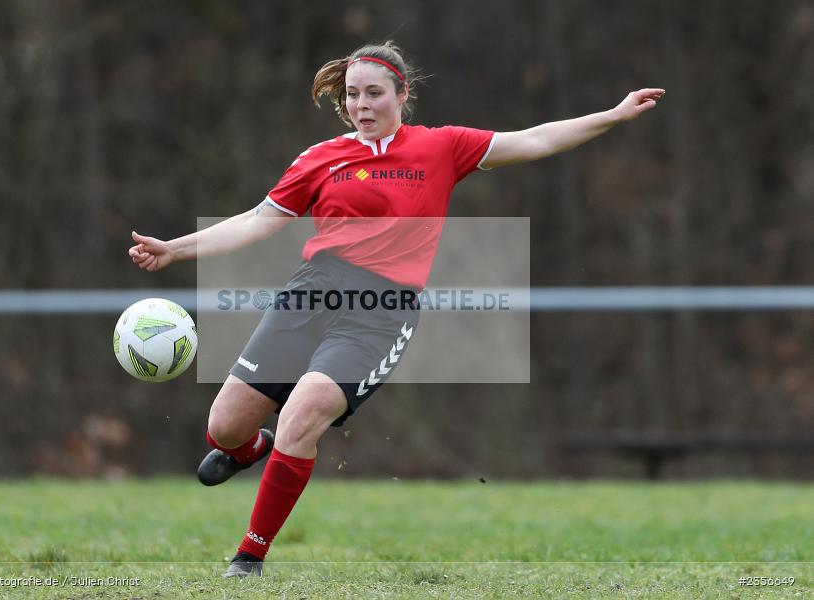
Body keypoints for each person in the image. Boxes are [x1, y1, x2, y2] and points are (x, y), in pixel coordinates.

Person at [128, 41, 664, 578]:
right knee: (223, 427)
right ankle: (249, 450)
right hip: (310, 294)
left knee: (303, 417)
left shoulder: (441, 147)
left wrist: (613, 116)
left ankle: (249, 556)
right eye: (352, 95)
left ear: (402, 95)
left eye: (374, 93)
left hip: (380, 311)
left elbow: (535, 139)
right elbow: (256, 220)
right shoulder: (321, 158)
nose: (362, 104)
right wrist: (175, 248)